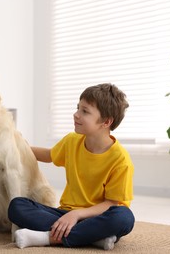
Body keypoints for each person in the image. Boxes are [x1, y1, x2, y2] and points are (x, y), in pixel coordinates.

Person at [8, 83, 135, 250]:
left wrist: (78, 214)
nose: (76, 115)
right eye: (78, 108)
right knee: (17, 206)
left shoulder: (120, 159)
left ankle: (48, 237)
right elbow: (48, 155)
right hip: (65, 213)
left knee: (124, 218)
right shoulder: (72, 141)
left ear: (106, 121)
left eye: (85, 111)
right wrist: (19, 146)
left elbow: (111, 204)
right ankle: (92, 238)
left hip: (97, 216)